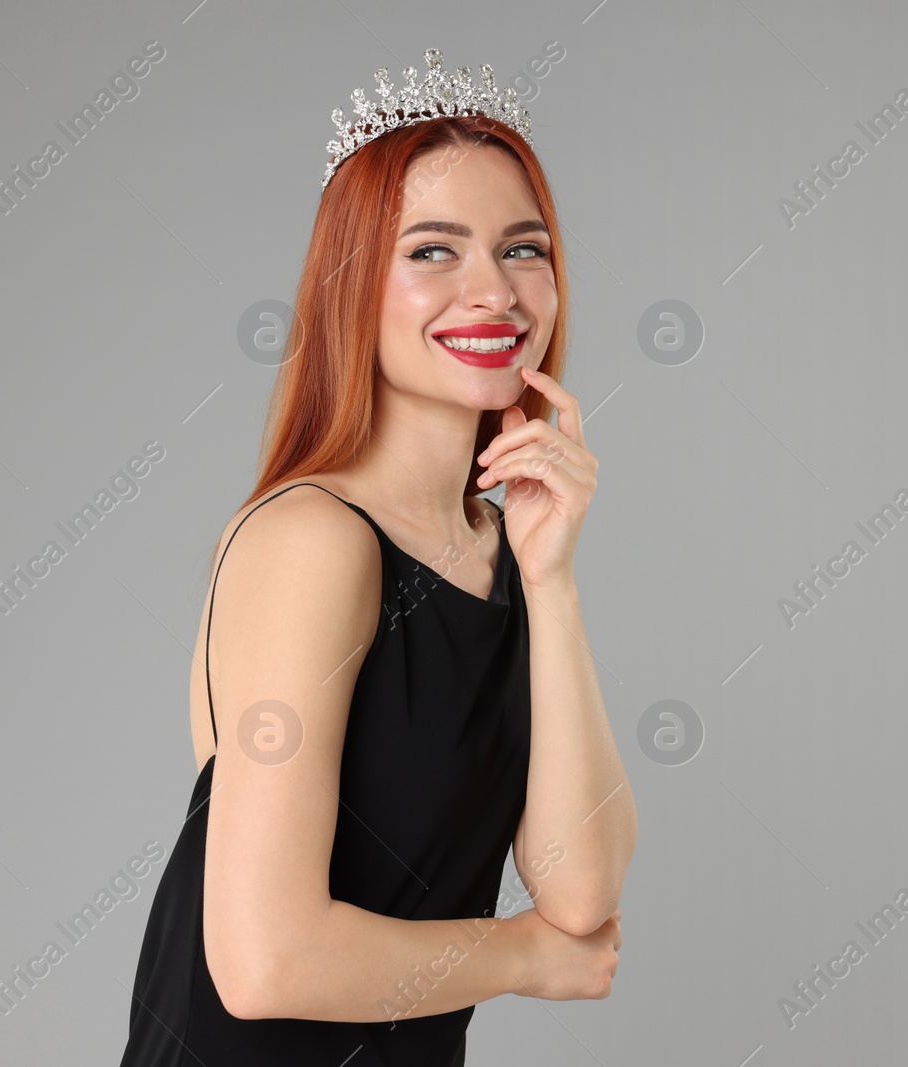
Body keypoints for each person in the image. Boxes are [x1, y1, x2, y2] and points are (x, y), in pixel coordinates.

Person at [118, 47, 637, 1066]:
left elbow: (582, 894)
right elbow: (263, 959)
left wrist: (551, 577)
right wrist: (521, 957)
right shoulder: (309, 539)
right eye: (433, 251)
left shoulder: (500, 548)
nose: (493, 290)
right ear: (351, 283)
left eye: (523, 248)